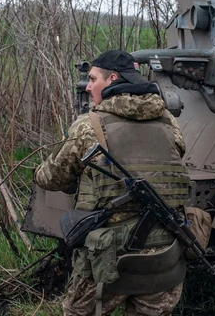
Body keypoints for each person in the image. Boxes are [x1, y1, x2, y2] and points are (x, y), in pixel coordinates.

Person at [34, 50, 190, 316]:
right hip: (163, 254)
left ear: (112, 79)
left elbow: (52, 178)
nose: (89, 86)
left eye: (93, 79)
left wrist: (40, 170)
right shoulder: (168, 121)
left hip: (106, 257)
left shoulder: (88, 125)